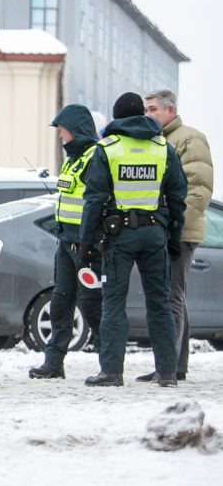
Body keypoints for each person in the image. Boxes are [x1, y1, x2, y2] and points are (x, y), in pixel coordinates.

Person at [80, 92, 186, 387]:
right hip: (155, 234)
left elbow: (94, 200)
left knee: (114, 303)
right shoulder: (162, 147)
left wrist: (86, 243)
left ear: (116, 117)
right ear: (141, 114)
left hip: (119, 235)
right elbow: (178, 196)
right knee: (160, 304)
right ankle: (167, 372)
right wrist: (174, 237)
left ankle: (111, 371)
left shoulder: (108, 148)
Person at [137, 89, 214, 382]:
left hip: (178, 231)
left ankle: (167, 367)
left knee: (170, 297)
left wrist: (174, 227)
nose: (148, 115)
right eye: (145, 109)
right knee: (175, 296)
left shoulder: (188, 139)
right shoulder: (159, 141)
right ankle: (174, 365)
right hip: (165, 229)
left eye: (153, 109)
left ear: (170, 111)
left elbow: (199, 189)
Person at [29, 104, 103, 379]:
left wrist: (89, 242)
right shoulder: (72, 159)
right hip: (66, 243)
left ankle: (108, 363)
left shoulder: (95, 157)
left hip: (87, 246)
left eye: (63, 130)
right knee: (61, 302)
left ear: (76, 130)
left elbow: (96, 202)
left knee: (93, 304)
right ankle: (54, 362)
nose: (60, 136)